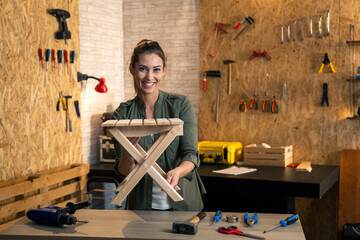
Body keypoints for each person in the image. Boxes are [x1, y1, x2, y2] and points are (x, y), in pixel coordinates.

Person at [112, 39, 206, 211]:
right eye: (142, 69)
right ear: (132, 69)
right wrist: (128, 153)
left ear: (163, 72)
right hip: (141, 208)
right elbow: (124, 171)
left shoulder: (181, 105)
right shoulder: (122, 114)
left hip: (183, 204)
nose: (149, 77)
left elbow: (191, 155)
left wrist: (178, 172)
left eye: (156, 70)